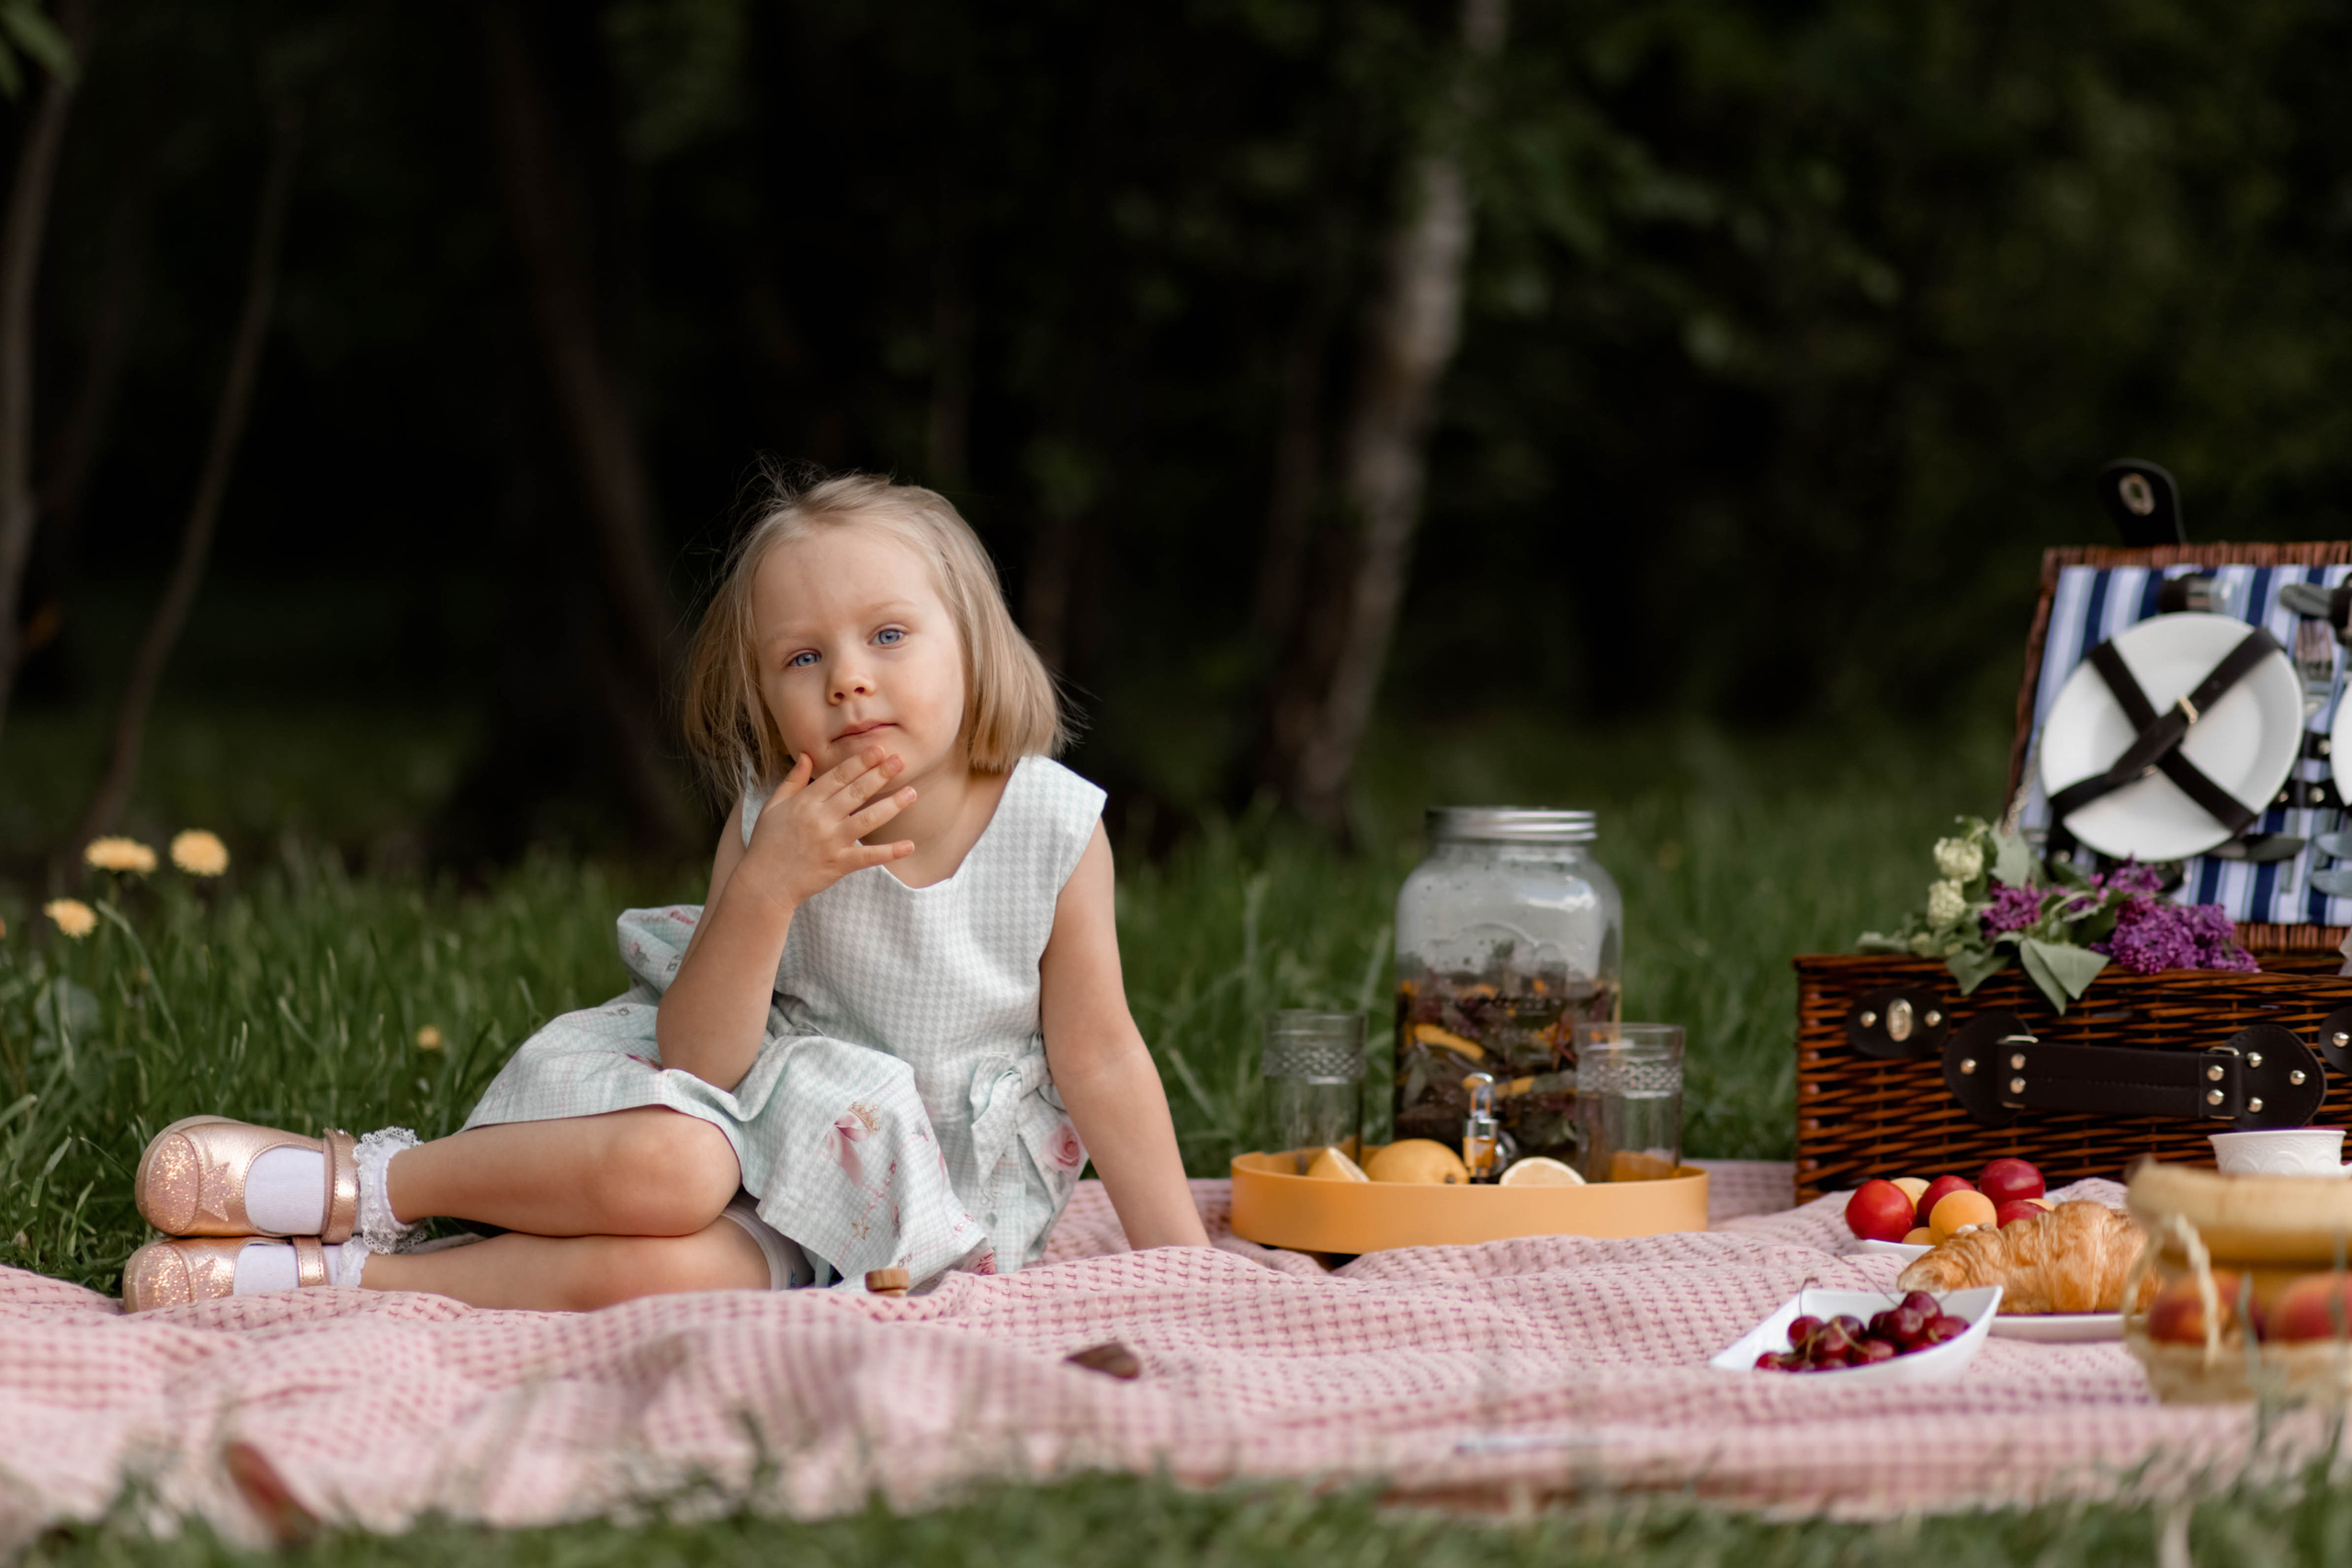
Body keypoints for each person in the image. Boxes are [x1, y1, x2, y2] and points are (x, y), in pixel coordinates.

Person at [119, 472, 1210, 1310]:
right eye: (801, 659)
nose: (848, 678)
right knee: (675, 1164)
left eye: (887, 635)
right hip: (754, 1121)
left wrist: (1188, 1271)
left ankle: (337, 1284)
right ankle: (367, 1188)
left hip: (902, 1208)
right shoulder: (767, 820)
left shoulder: (1050, 827)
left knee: (672, 1271)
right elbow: (702, 1061)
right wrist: (769, 886)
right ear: (762, 699)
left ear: (973, 645)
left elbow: (1100, 1055)